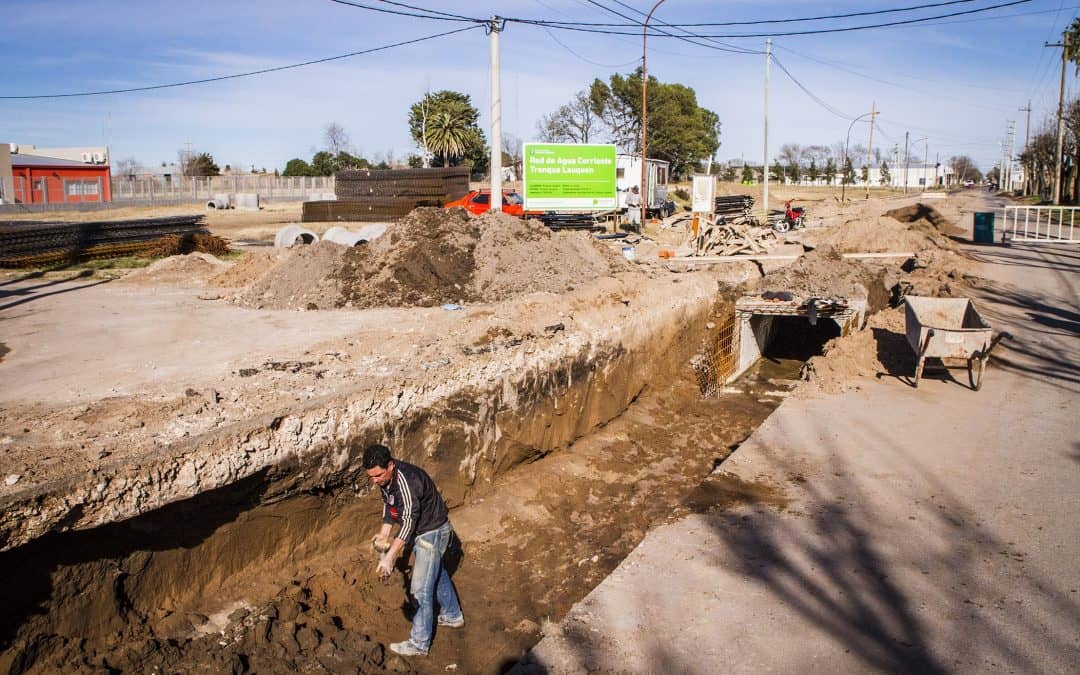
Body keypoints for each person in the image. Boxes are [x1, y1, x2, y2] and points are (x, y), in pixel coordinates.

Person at [364, 443, 463, 657]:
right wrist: (384, 532)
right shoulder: (386, 478)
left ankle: (419, 644)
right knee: (435, 573)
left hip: (432, 532)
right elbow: (390, 505)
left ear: (390, 465)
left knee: (420, 590)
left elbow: (408, 523)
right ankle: (453, 615)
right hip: (425, 530)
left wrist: (390, 557)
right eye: (371, 477)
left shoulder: (407, 483)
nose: (375, 481)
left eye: (378, 475)